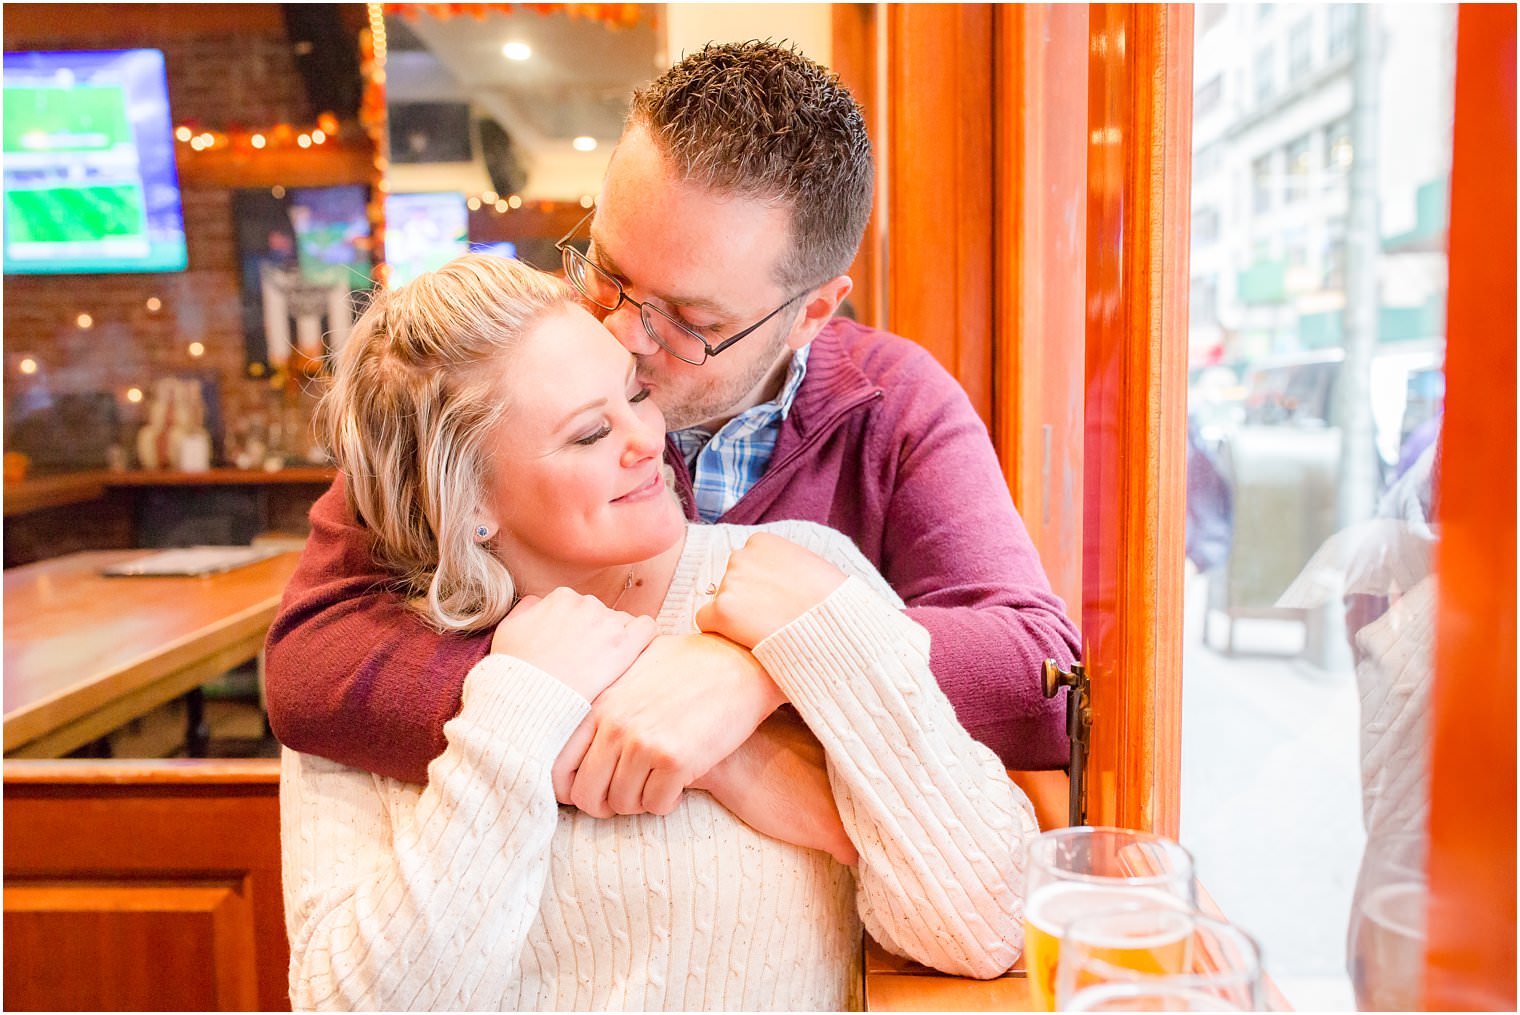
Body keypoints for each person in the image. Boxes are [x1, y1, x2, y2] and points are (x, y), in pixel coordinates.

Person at [266, 40, 1080, 807]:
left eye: (689, 319)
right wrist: (603, 706)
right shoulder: (512, 374)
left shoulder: (896, 406)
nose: (618, 333)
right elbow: (310, 659)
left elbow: (1040, 672)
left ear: (813, 312)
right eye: (606, 270)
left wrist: (770, 668)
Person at [281, 254, 1038, 1010]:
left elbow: (986, 924)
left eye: (637, 394)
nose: (650, 440)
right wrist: (515, 712)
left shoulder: (795, 580)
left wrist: (828, 636)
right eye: (587, 435)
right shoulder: (367, 672)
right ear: (468, 498)